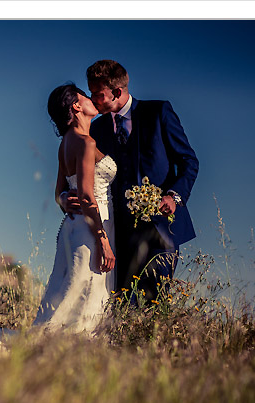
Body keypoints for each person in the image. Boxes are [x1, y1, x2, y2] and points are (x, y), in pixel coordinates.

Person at [0, 83, 117, 350]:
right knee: (82, 295)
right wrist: (103, 240)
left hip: (72, 228)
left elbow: (59, 193)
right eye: (85, 96)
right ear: (76, 106)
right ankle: (63, 353)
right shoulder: (86, 143)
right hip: (91, 229)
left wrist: (65, 200)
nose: (92, 100)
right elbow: (88, 197)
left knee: (68, 293)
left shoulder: (65, 143)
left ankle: (54, 351)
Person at [60, 60, 199, 302]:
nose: (93, 100)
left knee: (154, 302)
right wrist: (63, 197)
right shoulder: (96, 128)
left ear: (117, 92)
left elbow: (189, 161)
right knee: (120, 305)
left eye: (97, 94)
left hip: (160, 228)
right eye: (90, 94)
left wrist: (174, 196)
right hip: (117, 234)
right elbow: (74, 174)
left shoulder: (158, 112)